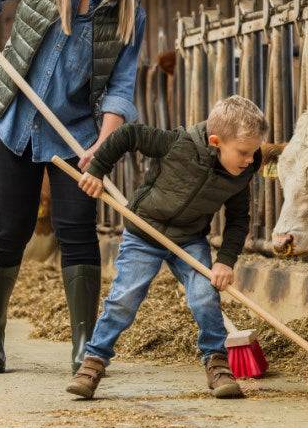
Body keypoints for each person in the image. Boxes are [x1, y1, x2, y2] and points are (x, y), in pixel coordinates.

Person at [0, 0, 146, 375]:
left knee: (77, 230)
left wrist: (100, 149)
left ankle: (85, 343)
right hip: (14, 119)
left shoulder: (127, 13)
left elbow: (121, 90)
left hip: (77, 136)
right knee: (12, 226)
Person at [65, 95, 268, 400]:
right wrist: (97, 170)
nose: (250, 160)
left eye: (253, 153)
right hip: (144, 234)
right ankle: (93, 361)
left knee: (204, 297)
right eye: (243, 153)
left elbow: (239, 219)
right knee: (124, 297)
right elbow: (127, 135)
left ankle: (217, 363)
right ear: (215, 141)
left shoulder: (242, 172)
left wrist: (225, 261)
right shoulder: (178, 144)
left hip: (189, 239)